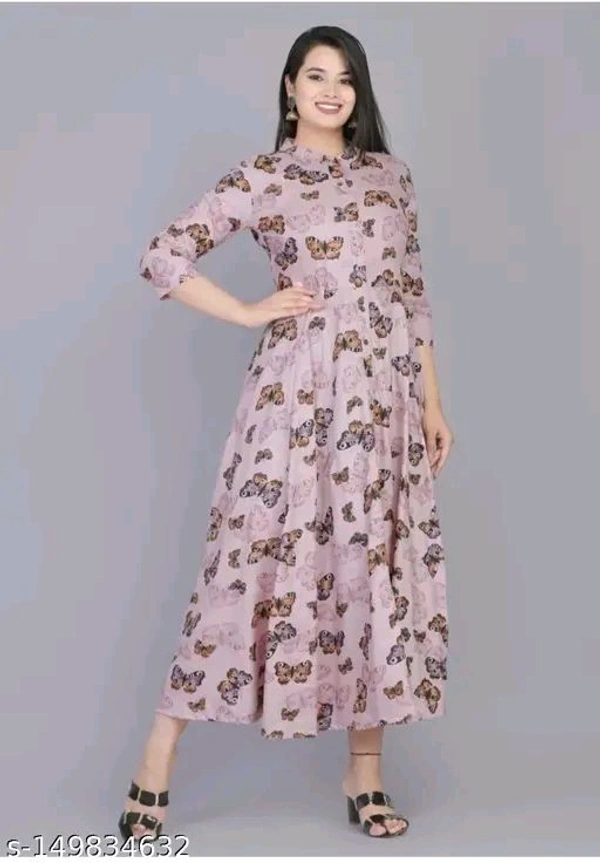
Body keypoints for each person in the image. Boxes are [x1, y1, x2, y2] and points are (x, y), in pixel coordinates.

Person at [119, 24, 455, 842]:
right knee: (245, 568)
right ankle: (157, 754)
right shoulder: (264, 176)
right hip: (295, 405)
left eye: (345, 78)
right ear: (290, 88)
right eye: (315, 76)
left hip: (384, 408)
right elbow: (164, 255)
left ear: (359, 91)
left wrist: (433, 404)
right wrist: (245, 311)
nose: (331, 91)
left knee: (371, 572)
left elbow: (412, 298)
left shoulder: (392, 179)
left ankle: (365, 773)